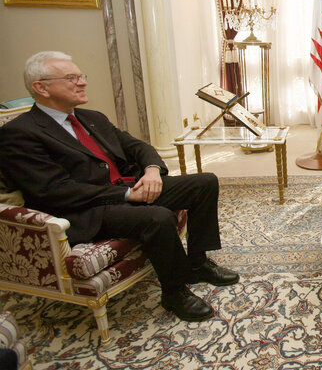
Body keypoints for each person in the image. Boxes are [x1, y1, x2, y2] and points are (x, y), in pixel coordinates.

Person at [0, 51, 239, 322]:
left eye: (81, 76)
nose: (82, 83)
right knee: (157, 217)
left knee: (204, 182)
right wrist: (126, 194)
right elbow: (55, 190)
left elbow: (137, 147)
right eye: (71, 78)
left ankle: (197, 264)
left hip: (125, 188)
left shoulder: (92, 117)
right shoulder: (20, 133)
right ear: (41, 87)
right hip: (86, 207)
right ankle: (174, 292)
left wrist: (151, 172)